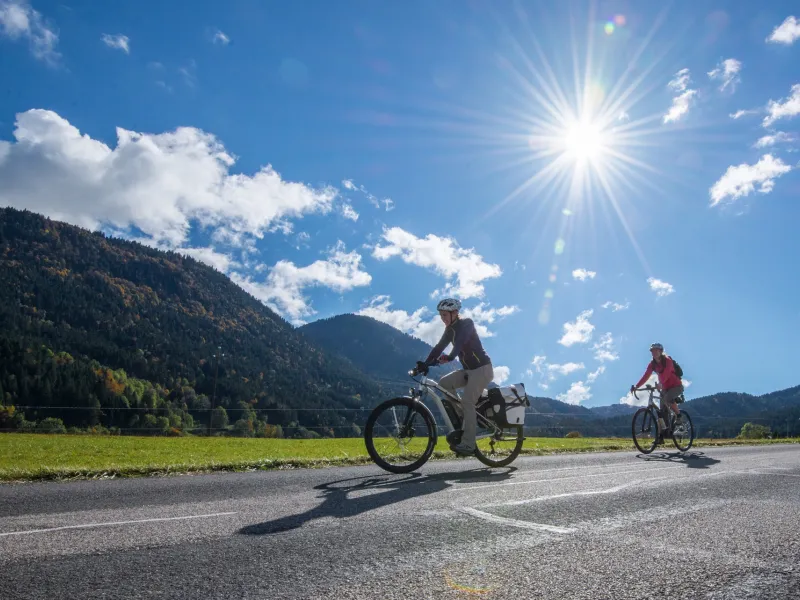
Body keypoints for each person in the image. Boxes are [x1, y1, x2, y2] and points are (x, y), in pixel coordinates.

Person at [424, 297, 494, 456]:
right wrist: (425, 363)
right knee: (444, 383)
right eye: (441, 315)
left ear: (455, 313)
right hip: (468, 371)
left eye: (445, 315)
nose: (443, 319)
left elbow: (460, 342)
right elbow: (438, 347)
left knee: (468, 401)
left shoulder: (466, 323)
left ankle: (469, 444)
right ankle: (464, 416)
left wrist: (450, 357)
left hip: (482, 369)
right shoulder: (449, 330)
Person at [630, 342, 684, 433]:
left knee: (668, 398)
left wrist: (661, 383)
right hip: (664, 388)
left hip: (676, 386)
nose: (654, 352)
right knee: (661, 413)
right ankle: (661, 436)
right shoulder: (652, 364)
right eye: (652, 351)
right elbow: (646, 375)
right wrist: (636, 386)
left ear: (661, 351)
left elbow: (666, 374)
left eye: (656, 350)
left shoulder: (667, 360)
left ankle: (679, 416)